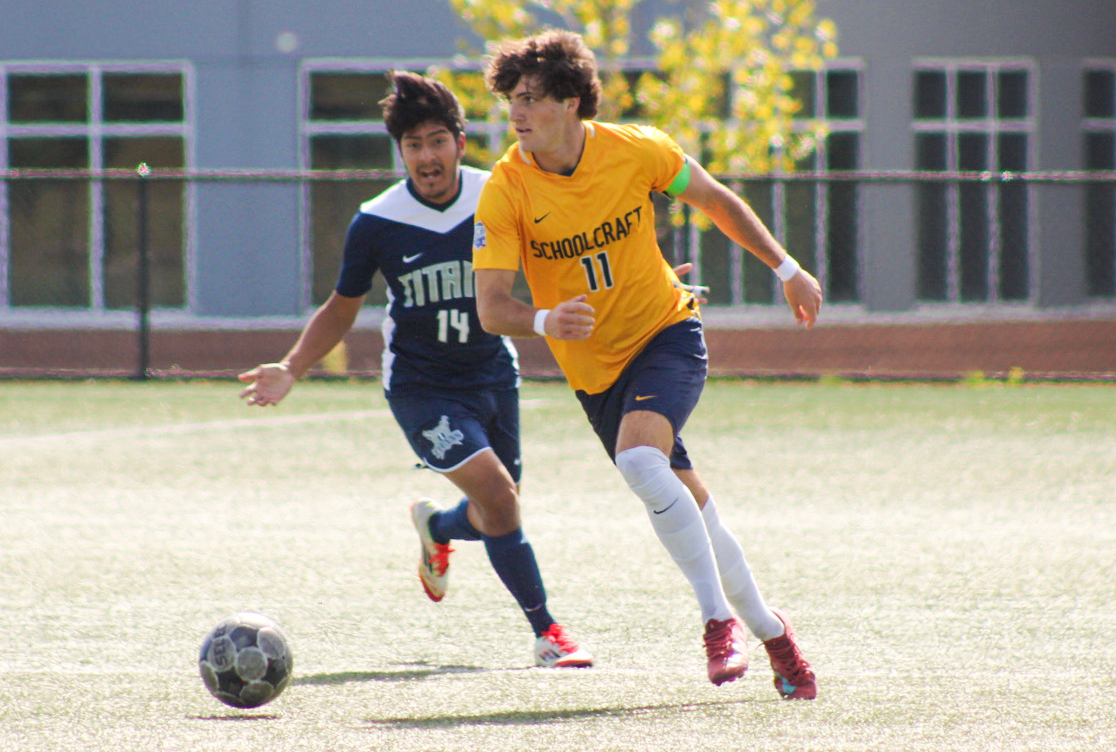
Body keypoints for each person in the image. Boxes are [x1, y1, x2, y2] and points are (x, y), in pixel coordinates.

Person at [471, 30, 821, 699]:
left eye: (533, 99)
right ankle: (776, 637)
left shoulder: (638, 149)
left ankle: (719, 622)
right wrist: (545, 320)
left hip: (667, 333)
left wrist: (787, 268)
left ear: (572, 101)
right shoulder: (506, 190)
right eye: (512, 99)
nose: (517, 113)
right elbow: (491, 307)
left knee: (639, 462)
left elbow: (716, 199)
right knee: (695, 509)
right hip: (597, 377)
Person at [238, 71, 592, 669]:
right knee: (502, 500)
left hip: (491, 372)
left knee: (496, 512)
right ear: (400, 152)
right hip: (422, 386)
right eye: (413, 145)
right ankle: (548, 634)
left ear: (459, 139)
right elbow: (341, 307)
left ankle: (439, 528)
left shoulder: (502, 190)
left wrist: (641, 283)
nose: (426, 157)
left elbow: (568, 249)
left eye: (436, 140)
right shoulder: (377, 221)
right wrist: (294, 366)